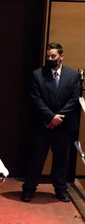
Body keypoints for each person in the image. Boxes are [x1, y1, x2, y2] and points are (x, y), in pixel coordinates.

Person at [21, 42, 81, 203]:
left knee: (61, 159)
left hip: (64, 125)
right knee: (36, 158)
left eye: (53, 56)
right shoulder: (37, 74)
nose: (50, 58)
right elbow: (36, 99)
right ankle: (29, 189)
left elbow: (74, 99)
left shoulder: (72, 75)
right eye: (48, 56)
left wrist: (58, 117)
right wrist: (50, 117)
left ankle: (61, 190)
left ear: (61, 56)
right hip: (43, 124)